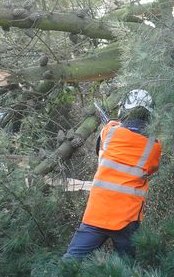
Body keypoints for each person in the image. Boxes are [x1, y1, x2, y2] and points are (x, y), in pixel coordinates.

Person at [63, 89, 162, 260]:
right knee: (127, 271)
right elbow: (151, 169)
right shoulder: (154, 146)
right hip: (128, 219)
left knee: (70, 262)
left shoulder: (109, 131)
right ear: (150, 116)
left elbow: (100, 153)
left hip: (97, 213)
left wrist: (115, 125)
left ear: (124, 110)